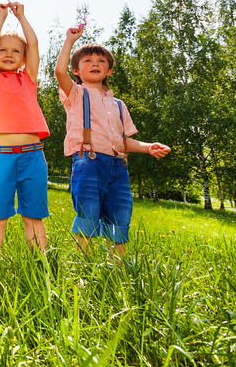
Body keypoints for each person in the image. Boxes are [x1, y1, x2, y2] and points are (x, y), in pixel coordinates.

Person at [55, 25, 171, 257]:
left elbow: (123, 141)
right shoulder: (76, 94)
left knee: (119, 218)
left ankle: (115, 269)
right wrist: (70, 39)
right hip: (89, 163)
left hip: (118, 168)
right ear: (76, 70)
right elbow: (59, 71)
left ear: (109, 70)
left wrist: (148, 147)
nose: (95, 64)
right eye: (87, 61)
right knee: (87, 216)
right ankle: (84, 267)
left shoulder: (118, 104)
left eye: (101, 61)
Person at [0, 2, 50, 271]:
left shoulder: (29, 79)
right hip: (1, 157)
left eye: (15, 51)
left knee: (33, 215)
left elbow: (33, 43)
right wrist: (0, 17)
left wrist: (21, 17)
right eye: (3, 50)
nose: (8, 54)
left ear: (24, 58)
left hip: (33, 156)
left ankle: (40, 265)